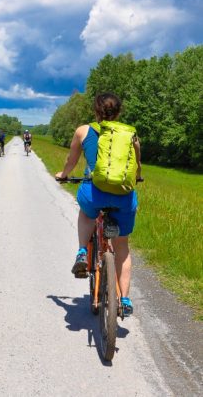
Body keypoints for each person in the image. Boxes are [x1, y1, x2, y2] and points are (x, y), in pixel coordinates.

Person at [55, 93, 141, 316]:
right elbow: (137, 162)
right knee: (122, 245)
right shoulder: (130, 133)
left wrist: (64, 174)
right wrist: (138, 175)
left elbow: (71, 161)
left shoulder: (83, 131)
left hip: (94, 193)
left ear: (95, 111)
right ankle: (126, 298)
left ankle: (83, 251)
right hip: (124, 196)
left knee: (86, 214)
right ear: (119, 112)